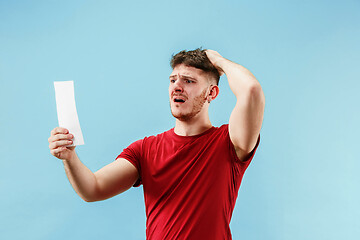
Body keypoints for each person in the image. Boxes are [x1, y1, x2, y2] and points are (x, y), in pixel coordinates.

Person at [48, 48, 265, 239]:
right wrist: (70, 157)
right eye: (173, 80)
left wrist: (218, 61)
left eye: (188, 81)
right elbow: (92, 189)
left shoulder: (229, 141)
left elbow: (251, 90)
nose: (177, 87)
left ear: (212, 92)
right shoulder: (145, 149)